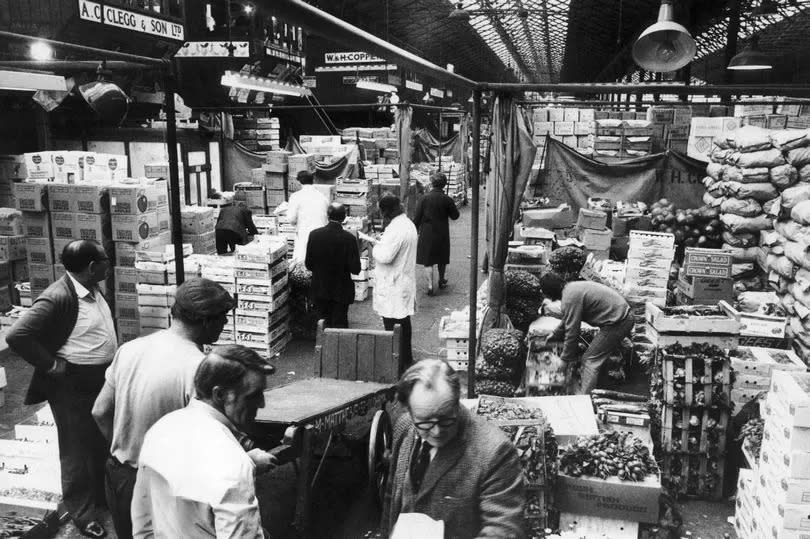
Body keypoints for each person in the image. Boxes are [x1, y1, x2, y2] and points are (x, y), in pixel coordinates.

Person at [91, 278, 235, 539]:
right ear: (206, 321)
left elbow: (100, 411)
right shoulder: (199, 368)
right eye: (223, 318)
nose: (224, 325)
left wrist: (124, 446)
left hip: (119, 475)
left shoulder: (130, 349)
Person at [6, 240, 115, 539]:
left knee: (99, 440)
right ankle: (82, 513)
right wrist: (51, 365)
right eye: (106, 260)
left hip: (98, 378)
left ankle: (101, 498)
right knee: (76, 448)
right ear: (93, 267)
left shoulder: (90, 288)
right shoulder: (57, 297)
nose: (110, 264)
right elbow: (18, 334)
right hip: (72, 383)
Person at [131, 345, 276, 538]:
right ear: (220, 395)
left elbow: (143, 519)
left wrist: (248, 462)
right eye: (253, 395)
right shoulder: (233, 465)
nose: (262, 403)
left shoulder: (161, 429)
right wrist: (244, 465)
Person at [382, 359, 526, 538]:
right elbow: (391, 498)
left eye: (445, 419)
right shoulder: (404, 427)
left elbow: (505, 530)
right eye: (425, 422)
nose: (436, 431)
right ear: (409, 411)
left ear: (457, 401)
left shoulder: (495, 451)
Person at [539, 272, 634, 395]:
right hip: (619, 318)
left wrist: (565, 359)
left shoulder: (569, 297)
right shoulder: (571, 289)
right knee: (594, 357)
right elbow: (569, 319)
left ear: (550, 292)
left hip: (619, 321)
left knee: (590, 360)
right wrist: (555, 334)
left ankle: (584, 401)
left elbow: (572, 332)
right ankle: (591, 392)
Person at [369, 194, 418, 373]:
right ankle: (406, 358)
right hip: (401, 281)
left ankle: (399, 363)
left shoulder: (398, 228)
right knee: (404, 322)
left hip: (394, 284)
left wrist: (374, 246)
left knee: (393, 324)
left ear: (385, 211)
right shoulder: (406, 224)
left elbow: (386, 256)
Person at [305, 203, 361, 328]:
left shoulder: (314, 235)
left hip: (320, 289)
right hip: (341, 291)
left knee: (322, 325)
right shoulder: (349, 239)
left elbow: (309, 264)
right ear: (344, 217)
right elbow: (355, 269)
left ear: (327, 215)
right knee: (339, 328)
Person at [414, 172, 460, 295]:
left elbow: (417, 217)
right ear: (444, 185)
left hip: (427, 232)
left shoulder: (424, 198)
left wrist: (415, 230)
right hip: (442, 232)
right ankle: (441, 280)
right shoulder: (447, 199)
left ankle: (430, 286)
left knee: (428, 260)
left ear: (432, 183)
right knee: (441, 258)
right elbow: (455, 216)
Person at [286, 170, 329, 263]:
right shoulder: (322, 196)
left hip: (304, 233)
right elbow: (327, 215)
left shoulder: (295, 196)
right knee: (319, 262)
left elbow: (291, 219)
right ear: (313, 180)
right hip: (322, 235)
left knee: (303, 262)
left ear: (299, 182)